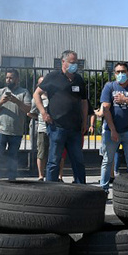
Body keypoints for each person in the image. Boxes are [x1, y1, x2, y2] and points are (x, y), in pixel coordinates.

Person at [33, 50, 88, 184]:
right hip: (57, 126)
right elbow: (36, 94)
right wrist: (43, 113)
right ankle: (50, 190)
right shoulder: (53, 77)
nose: (75, 65)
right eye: (72, 62)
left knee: (78, 160)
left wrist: (85, 121)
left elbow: (84, 102)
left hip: (75, 128)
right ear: (63, 62)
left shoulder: (79, 79)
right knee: (54, 160)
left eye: (77, 63)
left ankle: (82, 188)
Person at [0, 69, 32, 187]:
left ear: (17, 79)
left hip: (16, 131)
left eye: (11, 78)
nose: (8, 80)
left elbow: (28, 110)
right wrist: (1, 101)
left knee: (13, 156)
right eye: (7, 78)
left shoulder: (24, 92)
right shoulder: (1, 92)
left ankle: (11, 179)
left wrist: (16, 101)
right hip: (1, 130)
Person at [98, 62, 128, 192]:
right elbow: (105, 109)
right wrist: (113, 130)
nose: (121, 74)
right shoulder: (109, 87)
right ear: (114, 74)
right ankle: (103, 189)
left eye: (123, 71)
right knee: (107, 161)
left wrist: (127, 100)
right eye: (118, 72)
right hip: (111, 131)